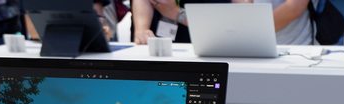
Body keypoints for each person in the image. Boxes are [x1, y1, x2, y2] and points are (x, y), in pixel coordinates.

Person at [132, 0, 312, 45]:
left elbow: (294, 8)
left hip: (292, 45)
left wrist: (178, 14)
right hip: (162, 40)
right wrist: (141, 29)